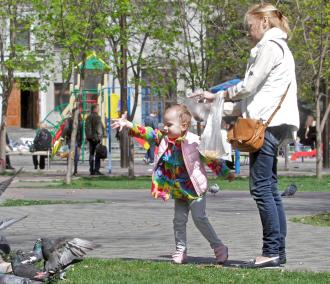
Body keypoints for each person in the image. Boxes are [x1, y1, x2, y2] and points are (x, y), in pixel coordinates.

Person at [193, 3, 299, 268]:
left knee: (261, 187)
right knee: (271, 189)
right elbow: (256, 96)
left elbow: (248, 86)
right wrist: (216, 106)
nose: (248, 32)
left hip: (266, 124)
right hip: (272, 122)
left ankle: (271, 250)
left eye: (249, 26)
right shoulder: (279, 48)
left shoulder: (269, 47)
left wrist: (217, 94)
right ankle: (278, 251)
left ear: (264, 22)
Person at [112, 104, 234, 264]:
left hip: (195, 190)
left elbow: (212, 160)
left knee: (199, 218)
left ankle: (219, 247)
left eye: (169, 124)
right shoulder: (164, 138)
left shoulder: (195, 142)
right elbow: (148, 133)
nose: (165, 127)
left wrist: (226, 172)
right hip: (178, 191)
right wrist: (129, 124)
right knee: (178, 221)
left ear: (183, 126)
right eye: (164, 123)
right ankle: (181, 250)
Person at [85, 104, 105, 175]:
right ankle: (96, 169)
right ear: (95, 109)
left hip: (90, 138)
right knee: (98, 154)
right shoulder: (97, 117)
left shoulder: (88, 117)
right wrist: (100, 137)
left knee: (91, 154)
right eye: (98, 108)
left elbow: (86, 128)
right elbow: (99, 128)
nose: (99, 109)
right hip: (96, 138)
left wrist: (87, 137)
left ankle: (91, 170)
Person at [63, 111, 83, 176]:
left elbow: (65, 129)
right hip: (76, 141)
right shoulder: (80, 121)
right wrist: (80, 143)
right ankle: (75, 170)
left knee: (70, 156)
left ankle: (69, 171)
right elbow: (81, 133)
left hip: (70, 140)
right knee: (76, 156)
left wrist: (63, 137)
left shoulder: (68, 120)